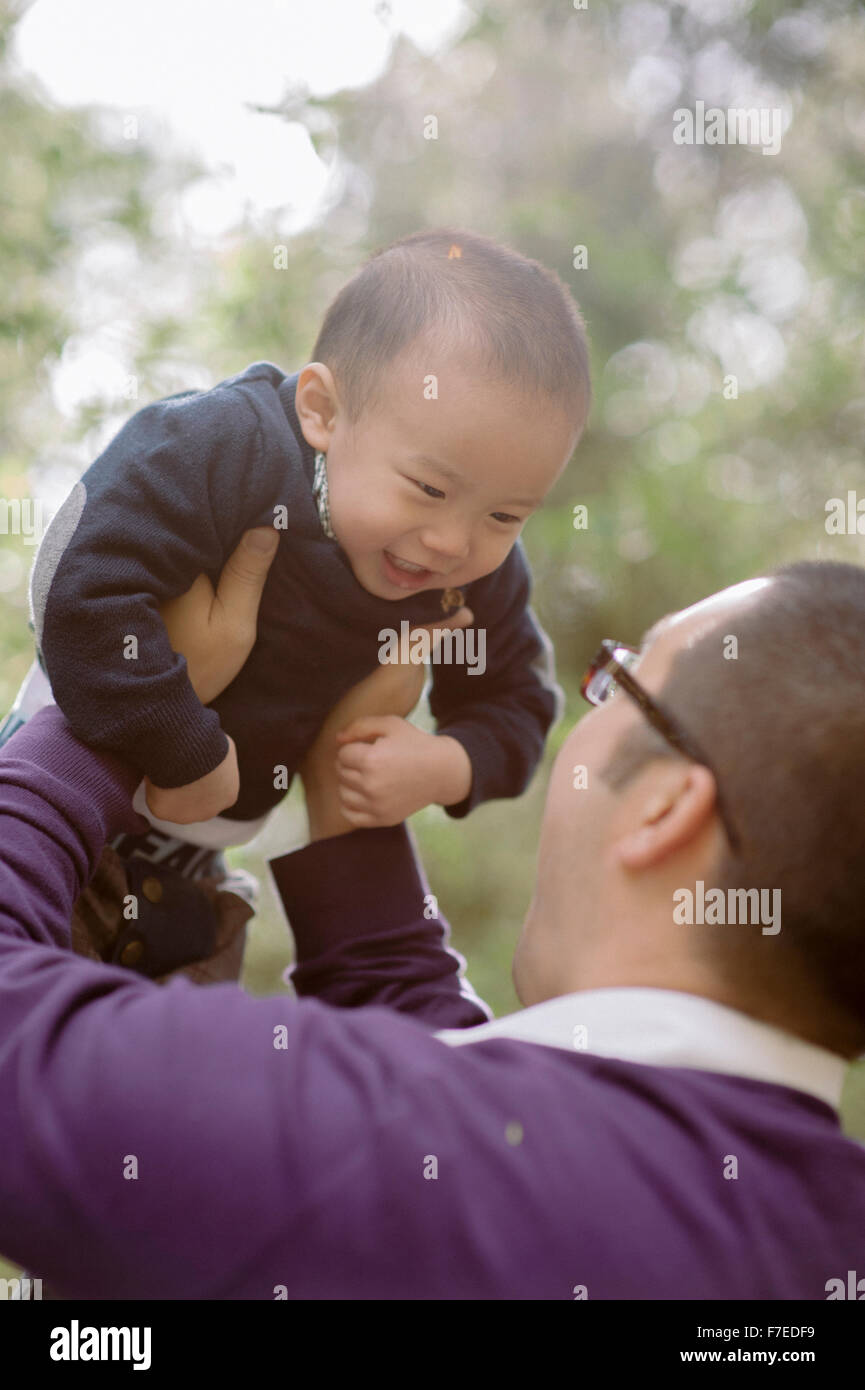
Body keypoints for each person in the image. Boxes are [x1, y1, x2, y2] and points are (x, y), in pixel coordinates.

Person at [1, 544, 864, 1299]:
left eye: (622, 682)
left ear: (664, 807)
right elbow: (469, 1099)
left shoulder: (395, 1161)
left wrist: (120, 701)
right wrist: (351, 788)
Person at [0, 226, 589, 977]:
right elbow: (78, 579)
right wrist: (180, 746)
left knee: (171, 1079)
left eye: (506, 516)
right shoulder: (228, 447)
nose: (453, 541)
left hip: (193, 887)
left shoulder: (473, 576)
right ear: (323, 411)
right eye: (429, 489)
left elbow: (518, 703)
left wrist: (447, 763)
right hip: (57, 821)